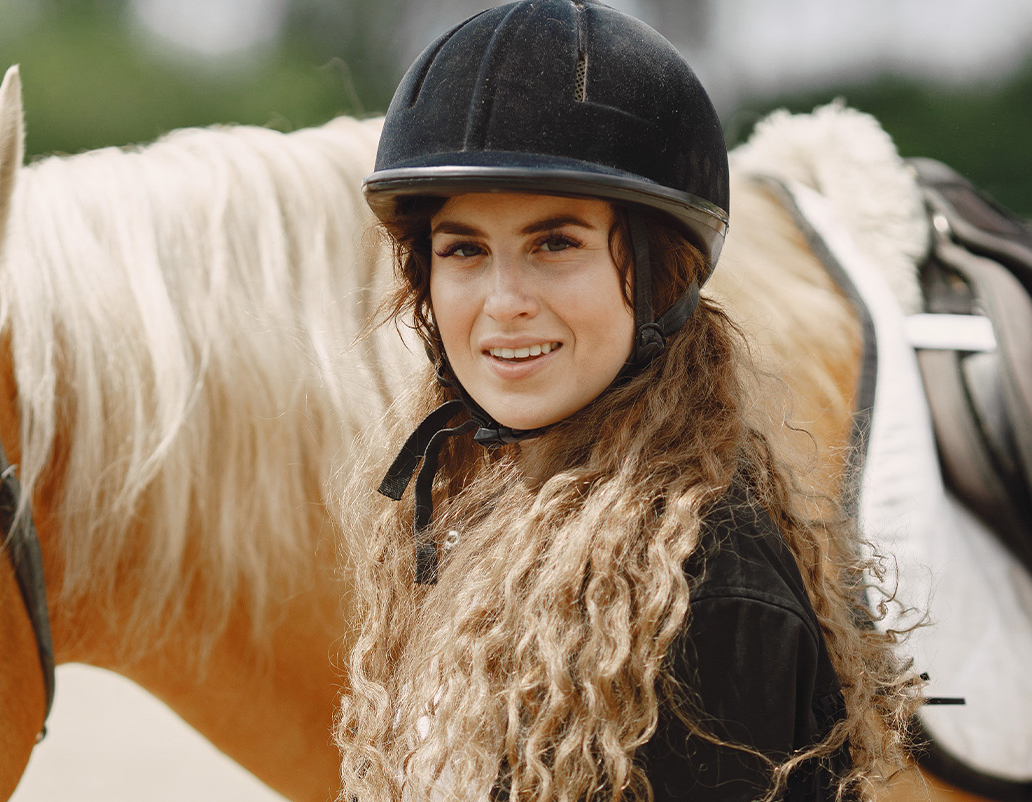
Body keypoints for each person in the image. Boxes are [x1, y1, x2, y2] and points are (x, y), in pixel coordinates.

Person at [334, 2, 918, 801]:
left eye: (555, 244)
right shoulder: (485, 515)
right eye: (465, 249)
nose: (503, 301)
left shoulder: (701, 595)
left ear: (658, 273)